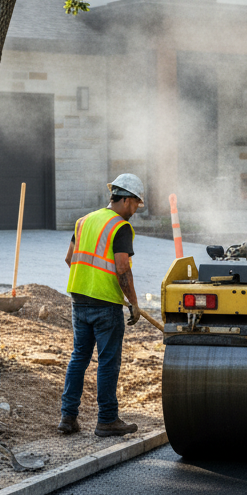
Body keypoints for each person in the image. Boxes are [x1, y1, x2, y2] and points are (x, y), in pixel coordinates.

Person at [58, 173, 145, 437]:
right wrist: (134, 302)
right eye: (137, 205)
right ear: (127, 200)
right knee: (108, 363)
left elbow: (69, 258)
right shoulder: (120, 227)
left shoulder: (83, 221)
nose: (136, 210)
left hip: (79, 300)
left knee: (78, 359)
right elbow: (122, 268)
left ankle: (68, 418)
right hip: (106, 304)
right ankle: (107, 420)